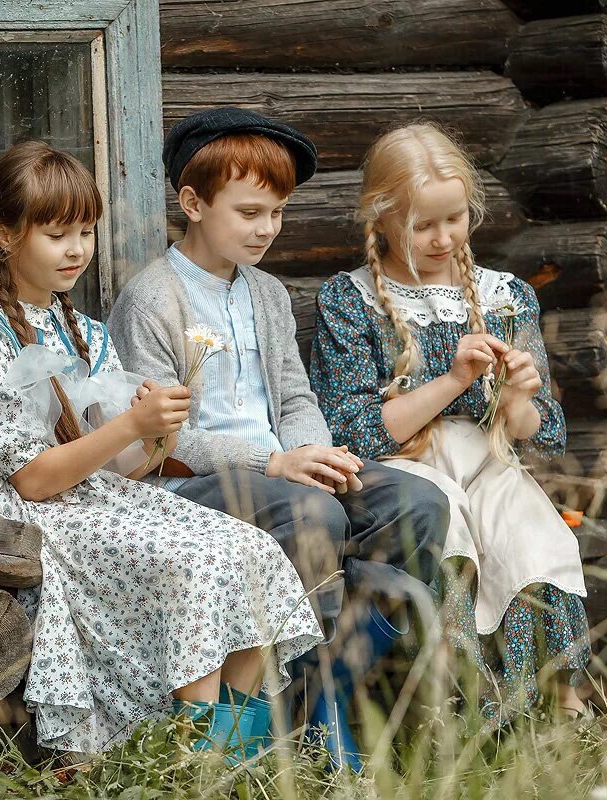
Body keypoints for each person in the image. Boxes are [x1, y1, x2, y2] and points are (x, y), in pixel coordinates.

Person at [0, 140, 323, 757]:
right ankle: (190, 760)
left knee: (248, 547)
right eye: (58, 234)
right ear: (4, 234)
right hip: (20, 513)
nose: (77, 250)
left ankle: (231, 753)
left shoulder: (82, 331)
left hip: (92, 496)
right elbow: (32, 480)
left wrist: (158, 432)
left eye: (85, 232)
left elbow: (127, 468)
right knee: (189, 562)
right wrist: (129, 427)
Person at [108, 109, 451, 767]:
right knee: (315, 515)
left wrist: (322, 454)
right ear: (192, 203)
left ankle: (323, 694)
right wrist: (275, 460)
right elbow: (164, 439)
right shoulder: (153, 301)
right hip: (191, 482)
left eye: (278, 212)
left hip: (284, 466)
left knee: (416, 506)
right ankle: (270, 720)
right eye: (249, 211)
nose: (267, 228)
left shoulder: (265, 292)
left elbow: (293, 396)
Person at [309, 122, 591, 723]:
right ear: (380, 219)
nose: (443, 238)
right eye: (422, 225)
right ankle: (464, 705)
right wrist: (455, 381)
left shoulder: (505, 295)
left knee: (530, 533)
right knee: (450, 533)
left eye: (455, 219)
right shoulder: (349, 298)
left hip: (489, 456)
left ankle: (558, 708)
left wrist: (518, 399)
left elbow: (542, 432)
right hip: (405, 463)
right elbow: (352, 429)